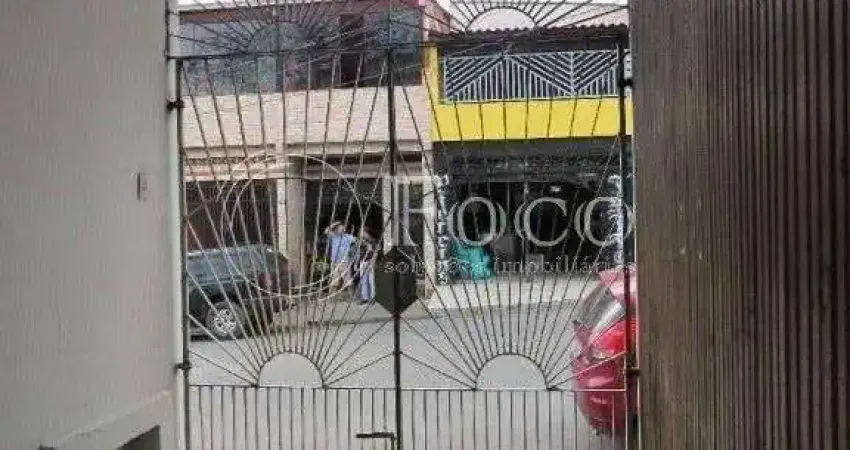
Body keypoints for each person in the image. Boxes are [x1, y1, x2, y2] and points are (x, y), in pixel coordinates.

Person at [325, 222, 356, 294]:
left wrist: (352, 252)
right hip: (334, 263)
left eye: (342, 228)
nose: (341, 230)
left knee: (348, 281)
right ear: (336, 230)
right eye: (339, 228)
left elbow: (357, 242)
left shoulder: (348, 237)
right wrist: (335, 223)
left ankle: (351, 297)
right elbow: (326, 231)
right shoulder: (333, 236)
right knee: (334, 282)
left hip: (344, 262)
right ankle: (331, 297)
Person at [356, 229, 378, 305]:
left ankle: (372, 297)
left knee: (371, 281)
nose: (362, 234)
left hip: (370, 262)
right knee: (363, 281)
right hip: (362, 262)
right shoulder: (359, 242)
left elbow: (375, 253)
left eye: (363, 232)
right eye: (361, 233)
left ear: (367, 233)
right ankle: (365, 298)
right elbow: (358, 253)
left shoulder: (373, 241)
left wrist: (372, 263)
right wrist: (356, 263)